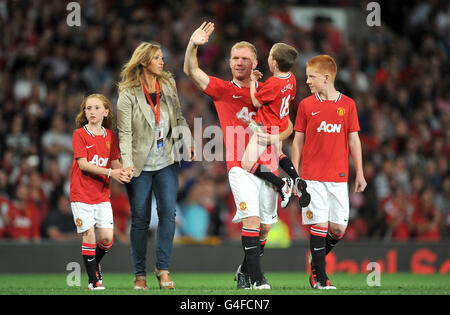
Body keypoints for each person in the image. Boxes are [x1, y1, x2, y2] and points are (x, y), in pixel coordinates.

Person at [184, 22, 293, 290]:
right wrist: (193, 44)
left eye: (245, 59)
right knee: (251, 221)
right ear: (229, 62)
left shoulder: (269, 89)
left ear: (256, 61)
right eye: (235, 58)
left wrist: (276, 138)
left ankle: (245, 271)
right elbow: (191, 70)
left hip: (267, 163)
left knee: (265, 229)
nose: (239, 63)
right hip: (239, 166)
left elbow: (287, 124)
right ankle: (258, 279)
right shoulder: (222, 89)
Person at [117, 41, 195, 290]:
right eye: (157, 58)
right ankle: (139, 274)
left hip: (167, 160)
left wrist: (188, 141)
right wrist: (127, 165)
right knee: (140, 219)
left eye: (162, 57)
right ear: (143, 62)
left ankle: (163, 269)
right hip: (140, 165)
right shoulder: (128, 92)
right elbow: (124, 133)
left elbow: (179, 117)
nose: (162, 61)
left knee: (168, 215)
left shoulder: (168, 85)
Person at [291, 55, 367, 290]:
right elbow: (297, 142)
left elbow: (354, 140)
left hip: (339, 177)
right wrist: (295, 176)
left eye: (311, 77)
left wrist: (360, 173)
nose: (308, 81)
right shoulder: (306, 105)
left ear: (326, 78)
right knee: (320, 225)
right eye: (307, 76)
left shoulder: (348, 105)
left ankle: (316, 258)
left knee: (338, 229)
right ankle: (320, 278)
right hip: (312, 177)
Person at [70, 94, 131, 290]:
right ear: (84, 112)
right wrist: (112, 172)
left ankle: (93, 263)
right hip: (81, 194)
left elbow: (114, 163)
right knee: (89, 234)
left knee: (107, 238)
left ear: (106, 112)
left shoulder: (110, 137)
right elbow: (84, 164)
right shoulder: (79, 134)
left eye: (96, 108)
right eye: (88, 108)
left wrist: (126, 170)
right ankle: (93, 280)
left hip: (102, 194)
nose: (92, 112)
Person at [240, 42, 310, 209]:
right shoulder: (291, 78)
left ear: (275, 63)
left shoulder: (273, 82)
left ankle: (281, 184)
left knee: (247, 163)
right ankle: (296, 177)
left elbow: (256, 102)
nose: (268, 58)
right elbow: (286, 98)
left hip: (266, 127)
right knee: (278, 154)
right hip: (281, 123)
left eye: (270, 56)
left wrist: (252, 82)